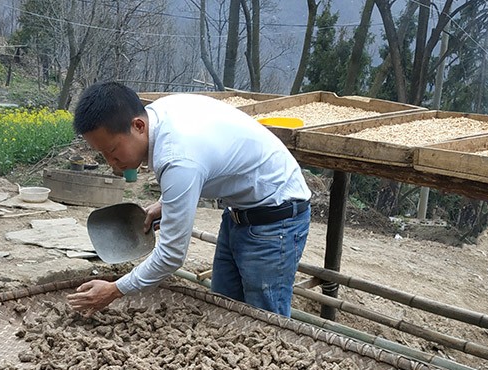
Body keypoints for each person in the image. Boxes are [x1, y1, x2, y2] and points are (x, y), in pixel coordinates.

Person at [67, 81, 311, 318]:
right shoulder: (158, 116)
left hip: (276, 218)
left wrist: (115, 289)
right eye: (103, 154)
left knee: (265, 321)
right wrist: (167, 201)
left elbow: (172, 255)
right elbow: (204, 157)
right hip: (241, 210)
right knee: (226, 309)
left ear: (138, 126)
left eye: (112, 151)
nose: (111, 163)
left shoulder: (177, 158)